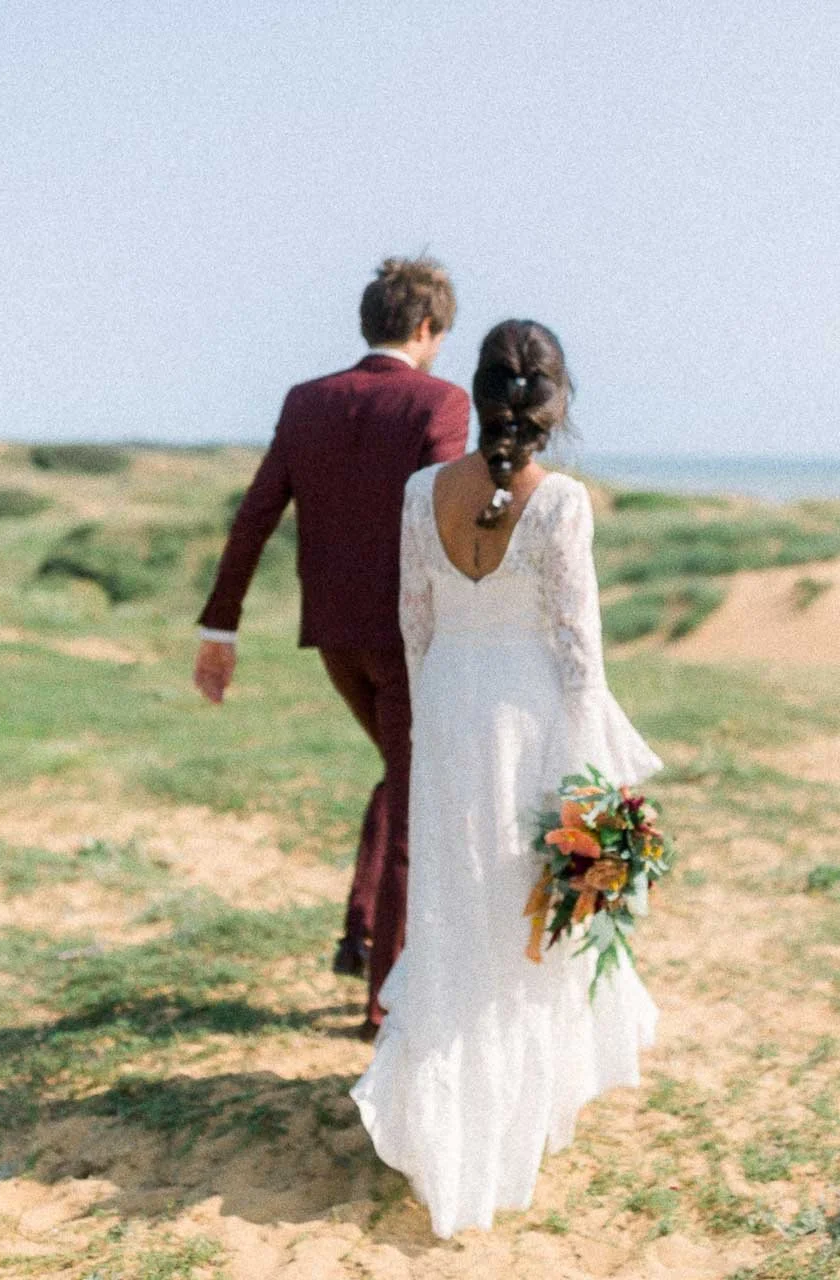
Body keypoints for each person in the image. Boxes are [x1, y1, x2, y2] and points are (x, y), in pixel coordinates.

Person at [349, 319, 661, 1237]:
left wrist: (438, 718)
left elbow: (415, 628)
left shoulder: (418, 493)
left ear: (479, 397)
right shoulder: (561, 503)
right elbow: (578, 649)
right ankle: (499, 1121)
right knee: (524, 914)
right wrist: (597, 773)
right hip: (529, 716)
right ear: (555, 408)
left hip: (449, 710)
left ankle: (445, 1116)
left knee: (455, 910)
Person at [193, 256, 470, 1036]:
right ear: (426, 328)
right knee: (419, 809)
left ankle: (358, 931)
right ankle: (385, 1011)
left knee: (401, 770)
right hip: (410, 642)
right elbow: (441, 524)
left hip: (334, 640)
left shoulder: (306, 401)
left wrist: (222, 626)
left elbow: (255, 515)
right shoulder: (440, 401)